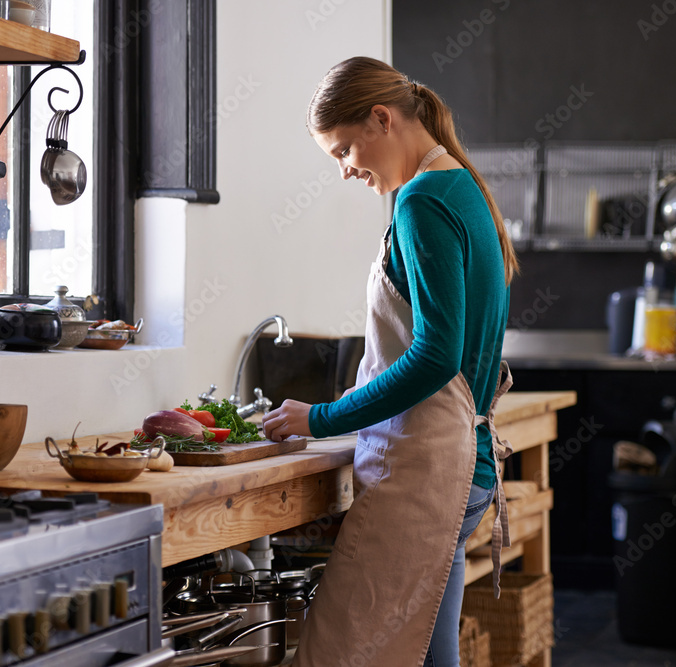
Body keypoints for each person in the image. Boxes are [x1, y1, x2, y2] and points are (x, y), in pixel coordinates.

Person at [261, 57, 519, 667]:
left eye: (345, 150)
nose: (347, 170)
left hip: (428, 475)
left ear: (382, 119)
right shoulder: (462, 187)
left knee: (340, 654)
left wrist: (321, 417)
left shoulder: (421, 202)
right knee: (428, 656)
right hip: (460, 469)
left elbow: (435, 354)